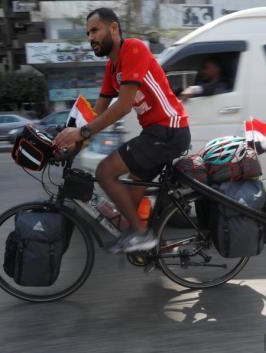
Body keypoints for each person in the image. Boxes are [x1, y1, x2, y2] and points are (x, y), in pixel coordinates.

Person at [54, 8, 190, 253]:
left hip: (169, 131)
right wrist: (75, 141)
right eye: (87, 33)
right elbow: (98, 111)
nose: (90, 38)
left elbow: (123, 106)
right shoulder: (112, 68)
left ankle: (142, 235)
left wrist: (83, 135)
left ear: (114, 29)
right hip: (155, 134)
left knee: (105, 172)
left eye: (95, 30)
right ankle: (155, 247)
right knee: (128, 204)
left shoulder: (134, 49)